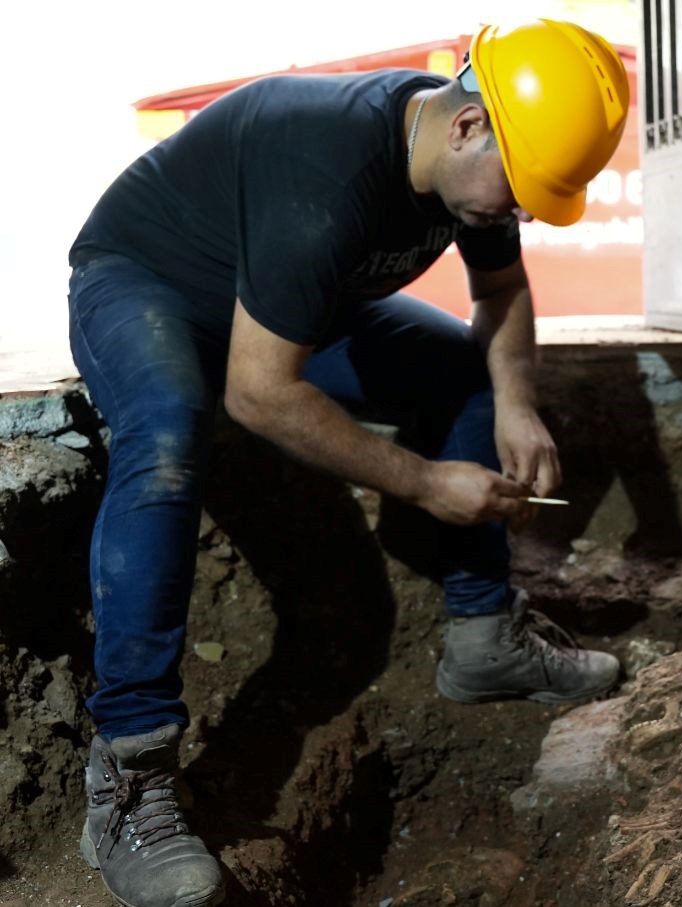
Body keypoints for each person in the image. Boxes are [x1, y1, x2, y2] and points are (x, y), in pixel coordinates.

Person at [65, 20, 630, 907]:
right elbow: (258, 394)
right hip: (148, 283)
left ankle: (486, 641)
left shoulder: (474, 168)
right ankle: (130, 773)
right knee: (171, 434)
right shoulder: (325, 169)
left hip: (283, 304)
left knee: (464, 369)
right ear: (468, 127)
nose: (516, 212)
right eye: (519, 192)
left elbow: (503, 289)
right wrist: (424, 482)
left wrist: (516, 401)